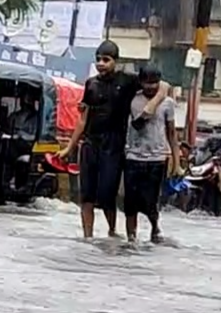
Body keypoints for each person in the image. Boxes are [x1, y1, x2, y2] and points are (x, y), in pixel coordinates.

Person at [60, 41, 168, 240]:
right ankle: (88, 237)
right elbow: (83, 119)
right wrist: (69, 147)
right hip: (91, 143)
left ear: (115, 61)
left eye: (106, 60)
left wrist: (151, 106)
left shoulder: (127, 81)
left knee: (107, 193)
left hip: (114, 145)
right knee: (87, 195)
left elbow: (164, 86)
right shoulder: (91, 84)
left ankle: (112, 230)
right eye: (98, 60)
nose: (101, 64)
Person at [122, 66, 178, 243]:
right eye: (147, 82)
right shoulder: (133, 100)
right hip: (133, 156)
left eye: (155, 83)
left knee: (152, 200)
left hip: (157, 158)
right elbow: (135, 123)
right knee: (130, 201)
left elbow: (172, 133)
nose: (151, 86)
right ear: (141, 82)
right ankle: (131, 237)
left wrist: (177, 162)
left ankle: (155, 229)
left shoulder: (168, 103)